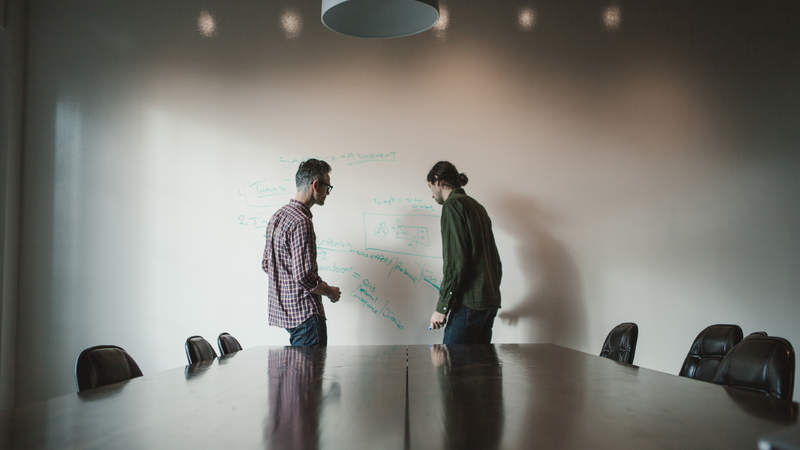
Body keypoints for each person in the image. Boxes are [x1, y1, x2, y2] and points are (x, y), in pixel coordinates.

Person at [262, 158, 341, 346]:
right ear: (315, 185)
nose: (327, 193)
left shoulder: (277, 217)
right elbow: (304, 276)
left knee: (298, 375)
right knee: (310, 375)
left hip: (288, 316)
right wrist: (330, 291)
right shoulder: (301, 221)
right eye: (327, 188)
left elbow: (266, 264)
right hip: (306, 317)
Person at [427, 161, 502, 344]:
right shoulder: (477, 206)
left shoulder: (452, 206)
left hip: (470, 302)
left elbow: (456, 262)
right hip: (488, 301)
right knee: (481, 368)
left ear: (437, 181)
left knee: (451, 368)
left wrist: (442, 308)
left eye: (430, 188)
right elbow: (494, 260)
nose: (432, 195)